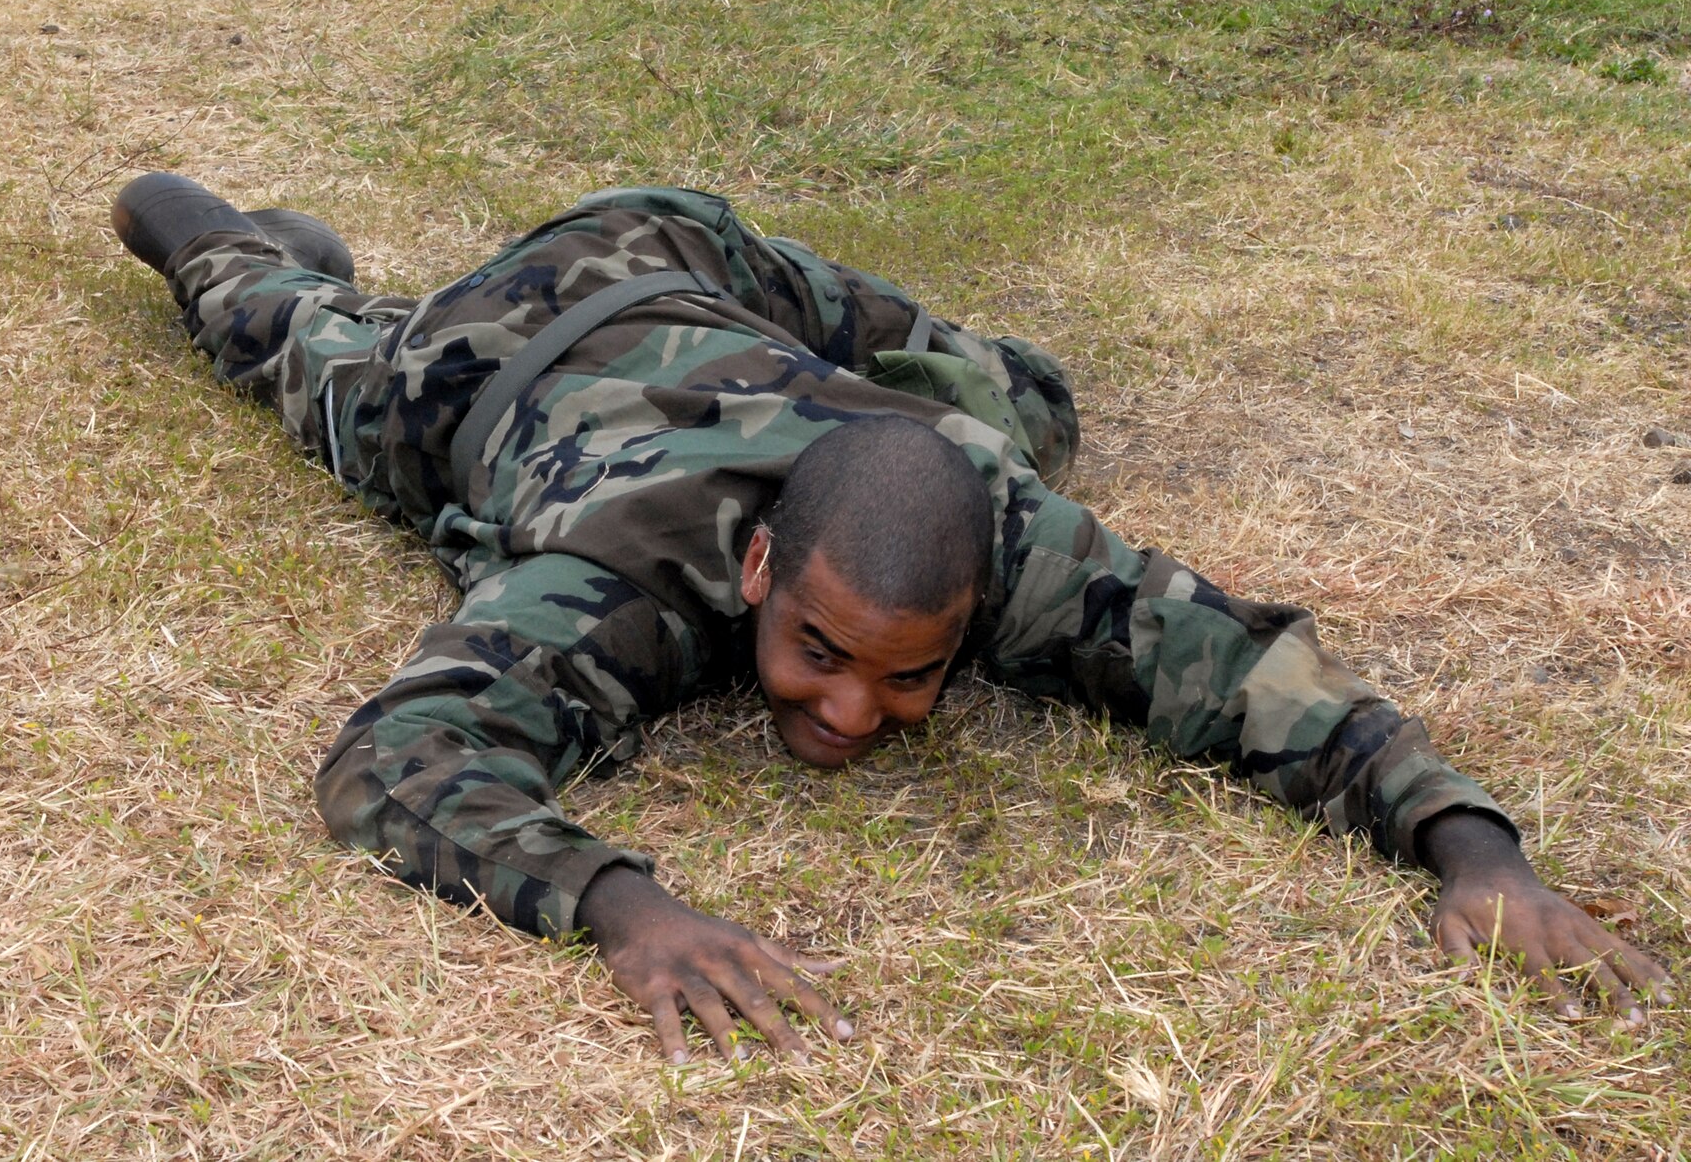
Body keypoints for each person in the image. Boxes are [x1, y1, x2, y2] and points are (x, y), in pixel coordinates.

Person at [109, 173, 1673, 1063]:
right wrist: (623, 911)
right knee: (286, 346)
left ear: (983, 611)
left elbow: (1260, 679)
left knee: (1028, 399)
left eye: (912, 675)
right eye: (817, 653)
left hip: (693, 257)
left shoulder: (1007, 532)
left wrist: (1478, 854)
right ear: (756, 578)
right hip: (495, 354)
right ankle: (252, 247)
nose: (851, 714)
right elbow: (398, 760)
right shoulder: (622, 577)